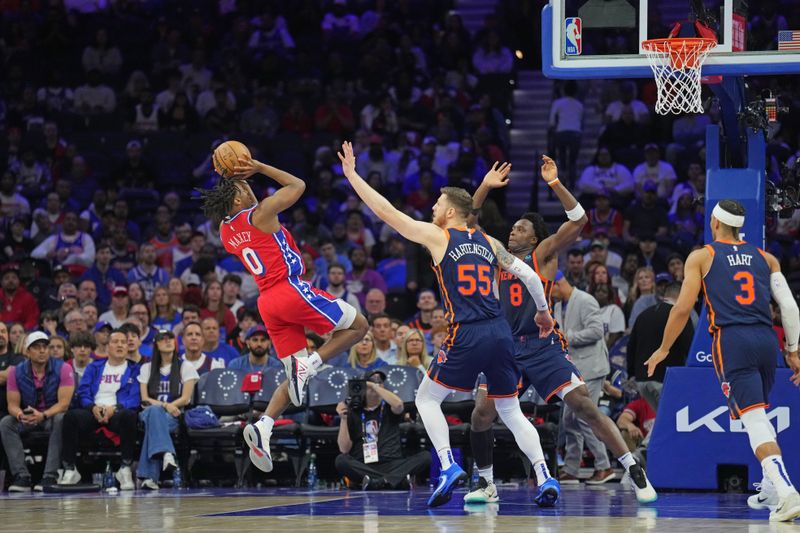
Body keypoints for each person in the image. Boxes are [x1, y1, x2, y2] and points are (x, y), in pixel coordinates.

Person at [337, 141, 557, 508]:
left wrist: (352, 176)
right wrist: (543, 313)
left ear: (451, 211)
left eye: (438, 205)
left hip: (467, 331)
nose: (433, 208)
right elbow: (530, 277)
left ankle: (447, 464)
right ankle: (545, 475)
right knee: (510, 410)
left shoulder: (438, 236)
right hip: (501, 332)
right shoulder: (489, 242)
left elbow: (387, 212)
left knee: (426, 398)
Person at [467, 155, 656, 505]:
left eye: (521, 228)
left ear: (536, 236)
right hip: (505, 348)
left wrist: (554, 183)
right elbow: (467, 225)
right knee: (481, 413)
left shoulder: (542, 255)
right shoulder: (496, 256)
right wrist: (484, 187)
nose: (513, 231)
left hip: (541, 345)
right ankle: (486, 482)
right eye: (513, 227)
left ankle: (632, 469)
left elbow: (579, 220)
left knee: (583, 405)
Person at [200, 153, 368, 474]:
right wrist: (261, 166)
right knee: (359, 326)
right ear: (237, 198)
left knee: (294, 379)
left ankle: (264, 425)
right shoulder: (260, 213)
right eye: (245, 187)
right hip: (289, 289)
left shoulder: (225, 231)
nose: (252, 187)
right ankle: (311, 364)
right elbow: (298, 184)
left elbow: (241, 208)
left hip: (267, 302)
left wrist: (230, 174)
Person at [647, 200, 800, 522]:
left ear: (714, 221)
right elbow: (790, 308)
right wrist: (794, 350)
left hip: (733, 340)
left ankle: (787, 492)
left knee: (755, 420)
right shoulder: (766, 258)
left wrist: (663, 348)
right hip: (766, 341)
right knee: (757, 414)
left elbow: (682, 308)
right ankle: (772, 489)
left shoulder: (703, 255)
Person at [551, 272, 615, 485]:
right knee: (569, 419)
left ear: (559, 284)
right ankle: (571, 468)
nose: (549, 295)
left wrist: (569, 337)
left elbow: (597, 331)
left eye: (550, 289)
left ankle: (604, 466)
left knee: (586, 417)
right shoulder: (559, 306)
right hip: (574, 369)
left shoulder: (586, 300)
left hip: (592, 368)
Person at [59, 329, 141, 490]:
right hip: (94, 412)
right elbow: (83, 392)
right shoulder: (94, 367)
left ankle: (125, 469)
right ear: (107, 347)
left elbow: (135, 398)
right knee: (70, 417)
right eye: (115, 342)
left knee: (130, 415)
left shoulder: (135, 369)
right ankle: (70, 469)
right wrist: (92, 407)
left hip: (117, 413)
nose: (119, 345)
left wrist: (114, 409)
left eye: (123, 342)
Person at [0, 332, 74, 491]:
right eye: (36, 347)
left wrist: (43, 415)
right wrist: (20, 415)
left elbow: (64, 404)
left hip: (50, 417)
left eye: (45, 347)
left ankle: (50, 476)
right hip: (29, 418)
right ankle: (22, 477)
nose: (42, 351)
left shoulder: (63, 368)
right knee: (6, 423)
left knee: (61, 418)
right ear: (27, 351)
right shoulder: (16, 372)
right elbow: (12, 405)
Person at [335, 370, 430, 489]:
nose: (376, 384)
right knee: (340, 460)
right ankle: (393, 480)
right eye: (372, 381)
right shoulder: (354, 411)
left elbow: (399, 405)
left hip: (392, 463)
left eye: (380, 382)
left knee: (425, 456)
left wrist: (374, 386)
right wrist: (344, 419)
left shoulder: (389, 408)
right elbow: (344, 449)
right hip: (364, 464)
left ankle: (376, 481)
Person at [137, 329, 199, 489]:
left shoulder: (186, 366)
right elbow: (145, 399)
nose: (167, 341)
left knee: (154, 424)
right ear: (156, 344)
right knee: (154, 412)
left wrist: (171, 407)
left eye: (170, 338)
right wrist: (165, 405)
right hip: (151, 412)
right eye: (162, 339)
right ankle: (167, 453)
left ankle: (149, 478)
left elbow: (186, 398)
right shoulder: (146, 368)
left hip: (174, 416)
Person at [627, 282, 693, 411]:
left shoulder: (643, 315)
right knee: (671, 421)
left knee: (660, 421)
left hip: (642, 381)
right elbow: (690, 347)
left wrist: (632, 374)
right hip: (665, 379)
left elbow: (631, 347)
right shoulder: (680, 316)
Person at [0, 265, 40, 330]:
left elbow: (32, 319)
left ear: (19, 281)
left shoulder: (28, 298)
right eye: (7, 278)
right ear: (1, 282)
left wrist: (21, 330)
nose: (10, 281)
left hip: (21, 333)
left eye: (14, 278)